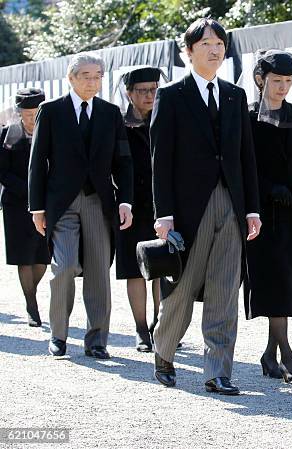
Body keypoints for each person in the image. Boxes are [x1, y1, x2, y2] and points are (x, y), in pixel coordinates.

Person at [151, 18, 261, 395]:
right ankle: (164, 351)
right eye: (206, 43)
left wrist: (252, 209)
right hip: (187, 207)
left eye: (219, 43)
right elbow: (160, 159)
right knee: (183, 285)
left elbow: (246, 156)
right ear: (189, 51)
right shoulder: (172, 95)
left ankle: (218, 371)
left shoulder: (235, 95)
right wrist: (163, 214)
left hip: (231, 202)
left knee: (225, 288)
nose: (215, 50)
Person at [29, 52, 134, 359]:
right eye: (86, 76)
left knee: (100, 270)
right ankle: (58, 335)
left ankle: (97, 339)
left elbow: (123, 161)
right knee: (62, 267)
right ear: (71, 78)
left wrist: (124, 200)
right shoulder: (50, 111)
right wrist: (37, 208)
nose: (93, 81)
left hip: (99, 202)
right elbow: (37, 162)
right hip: (61, 203)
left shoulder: (111, 112)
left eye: (98, 76)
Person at [242, 50, 292, 382]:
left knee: (287, 280)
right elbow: (241, 164)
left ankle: (270, 355)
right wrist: (269, 187)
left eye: (288, 82)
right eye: (276, 81)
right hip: (259, 212)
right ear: (261, 80)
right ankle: (284, 354)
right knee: (271, 281)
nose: (282, 88)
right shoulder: (247, 117)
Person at [114, 67, 164, 352]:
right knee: (134, 270)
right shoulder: (119, 123)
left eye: (154, 89)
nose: (149, 95)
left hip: (162, 205)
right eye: (143, 90)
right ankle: (140, 328)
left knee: (161, 266)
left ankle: (161, 324)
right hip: (129, 206)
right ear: (129, 93)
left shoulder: (165, 119)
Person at [0, 88, 50, 326]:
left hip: (46, 203)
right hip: (16, 203)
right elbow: (2, 172)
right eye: (26, 113)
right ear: (19, 113)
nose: (31, 118)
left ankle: (31, 291)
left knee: (42, 256)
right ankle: (31, 303)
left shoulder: (52, 133)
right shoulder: (7, 135)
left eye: (36, 113)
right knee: (23, 255)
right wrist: (25, 190)